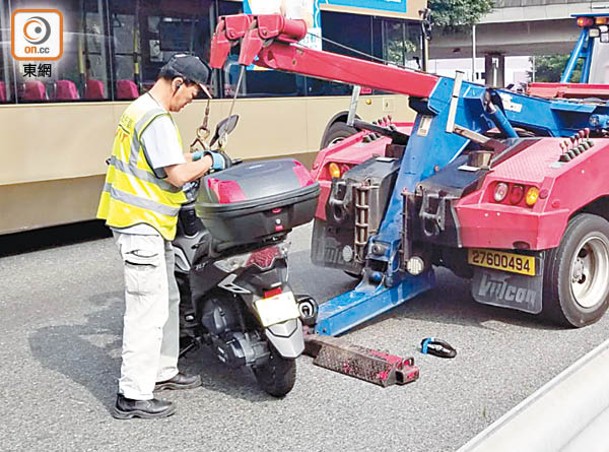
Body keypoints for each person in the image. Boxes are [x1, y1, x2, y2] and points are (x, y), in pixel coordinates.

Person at [97, 54, 228, 420]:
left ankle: (163, 372)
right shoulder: (155, 118)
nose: (191, 101)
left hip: (152, 226)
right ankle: (133, 395)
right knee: (147, 309)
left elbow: (161, 160)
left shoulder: (142, 109)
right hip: (140, 225)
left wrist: (194, 155)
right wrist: (210, 162)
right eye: (193, 93)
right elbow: (176, 175)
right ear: (177, 83)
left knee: (168, 299)